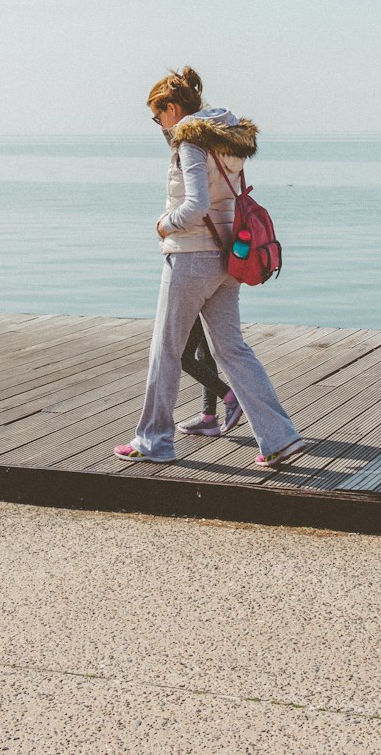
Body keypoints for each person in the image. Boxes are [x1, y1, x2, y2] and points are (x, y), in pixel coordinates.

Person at [114, 66, 306, 471]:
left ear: (171, 107)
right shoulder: (230, 136)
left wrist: (164, 224)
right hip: (227, 258)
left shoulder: (189, 140)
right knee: (232, 349)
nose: (160, 126)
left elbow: (196, 204)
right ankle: (280, 439)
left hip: (190, 257)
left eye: (157, 116)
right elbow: (228, 200)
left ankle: (154, 441)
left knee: (165, 349)